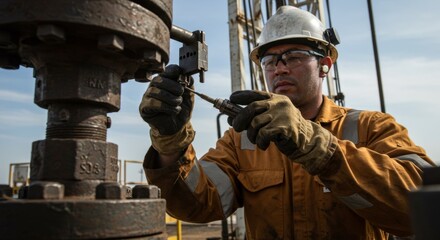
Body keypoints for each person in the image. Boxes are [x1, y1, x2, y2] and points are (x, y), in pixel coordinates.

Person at [139, 5, 435, 239]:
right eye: (270, 61)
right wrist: (170, 140)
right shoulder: (241, 140)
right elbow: (196, 204)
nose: (279, 69)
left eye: (293, 56)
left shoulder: (371, 127)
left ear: (325, 65)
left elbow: (422, 209)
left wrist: (316, 145)